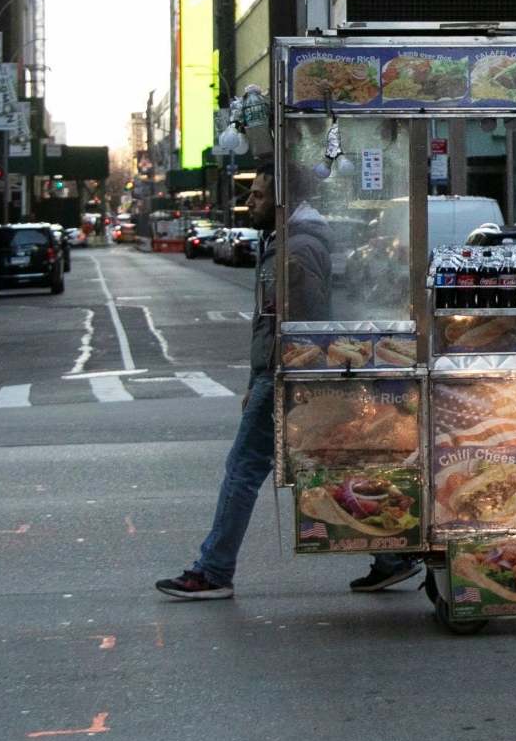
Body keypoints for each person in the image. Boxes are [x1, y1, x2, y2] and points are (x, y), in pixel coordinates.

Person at [157, 167, 421, 601]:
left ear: (281, 201)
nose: (250, 203)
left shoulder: (298, 247)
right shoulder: (285, 242)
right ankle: (394, 557)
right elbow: (269, 319)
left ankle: (214, 569)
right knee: (327, 463)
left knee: (243, 470)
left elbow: (305, 321)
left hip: (285, 376)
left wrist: (277, 375)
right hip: (277, 373)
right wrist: (255, 376)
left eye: (258, 195)